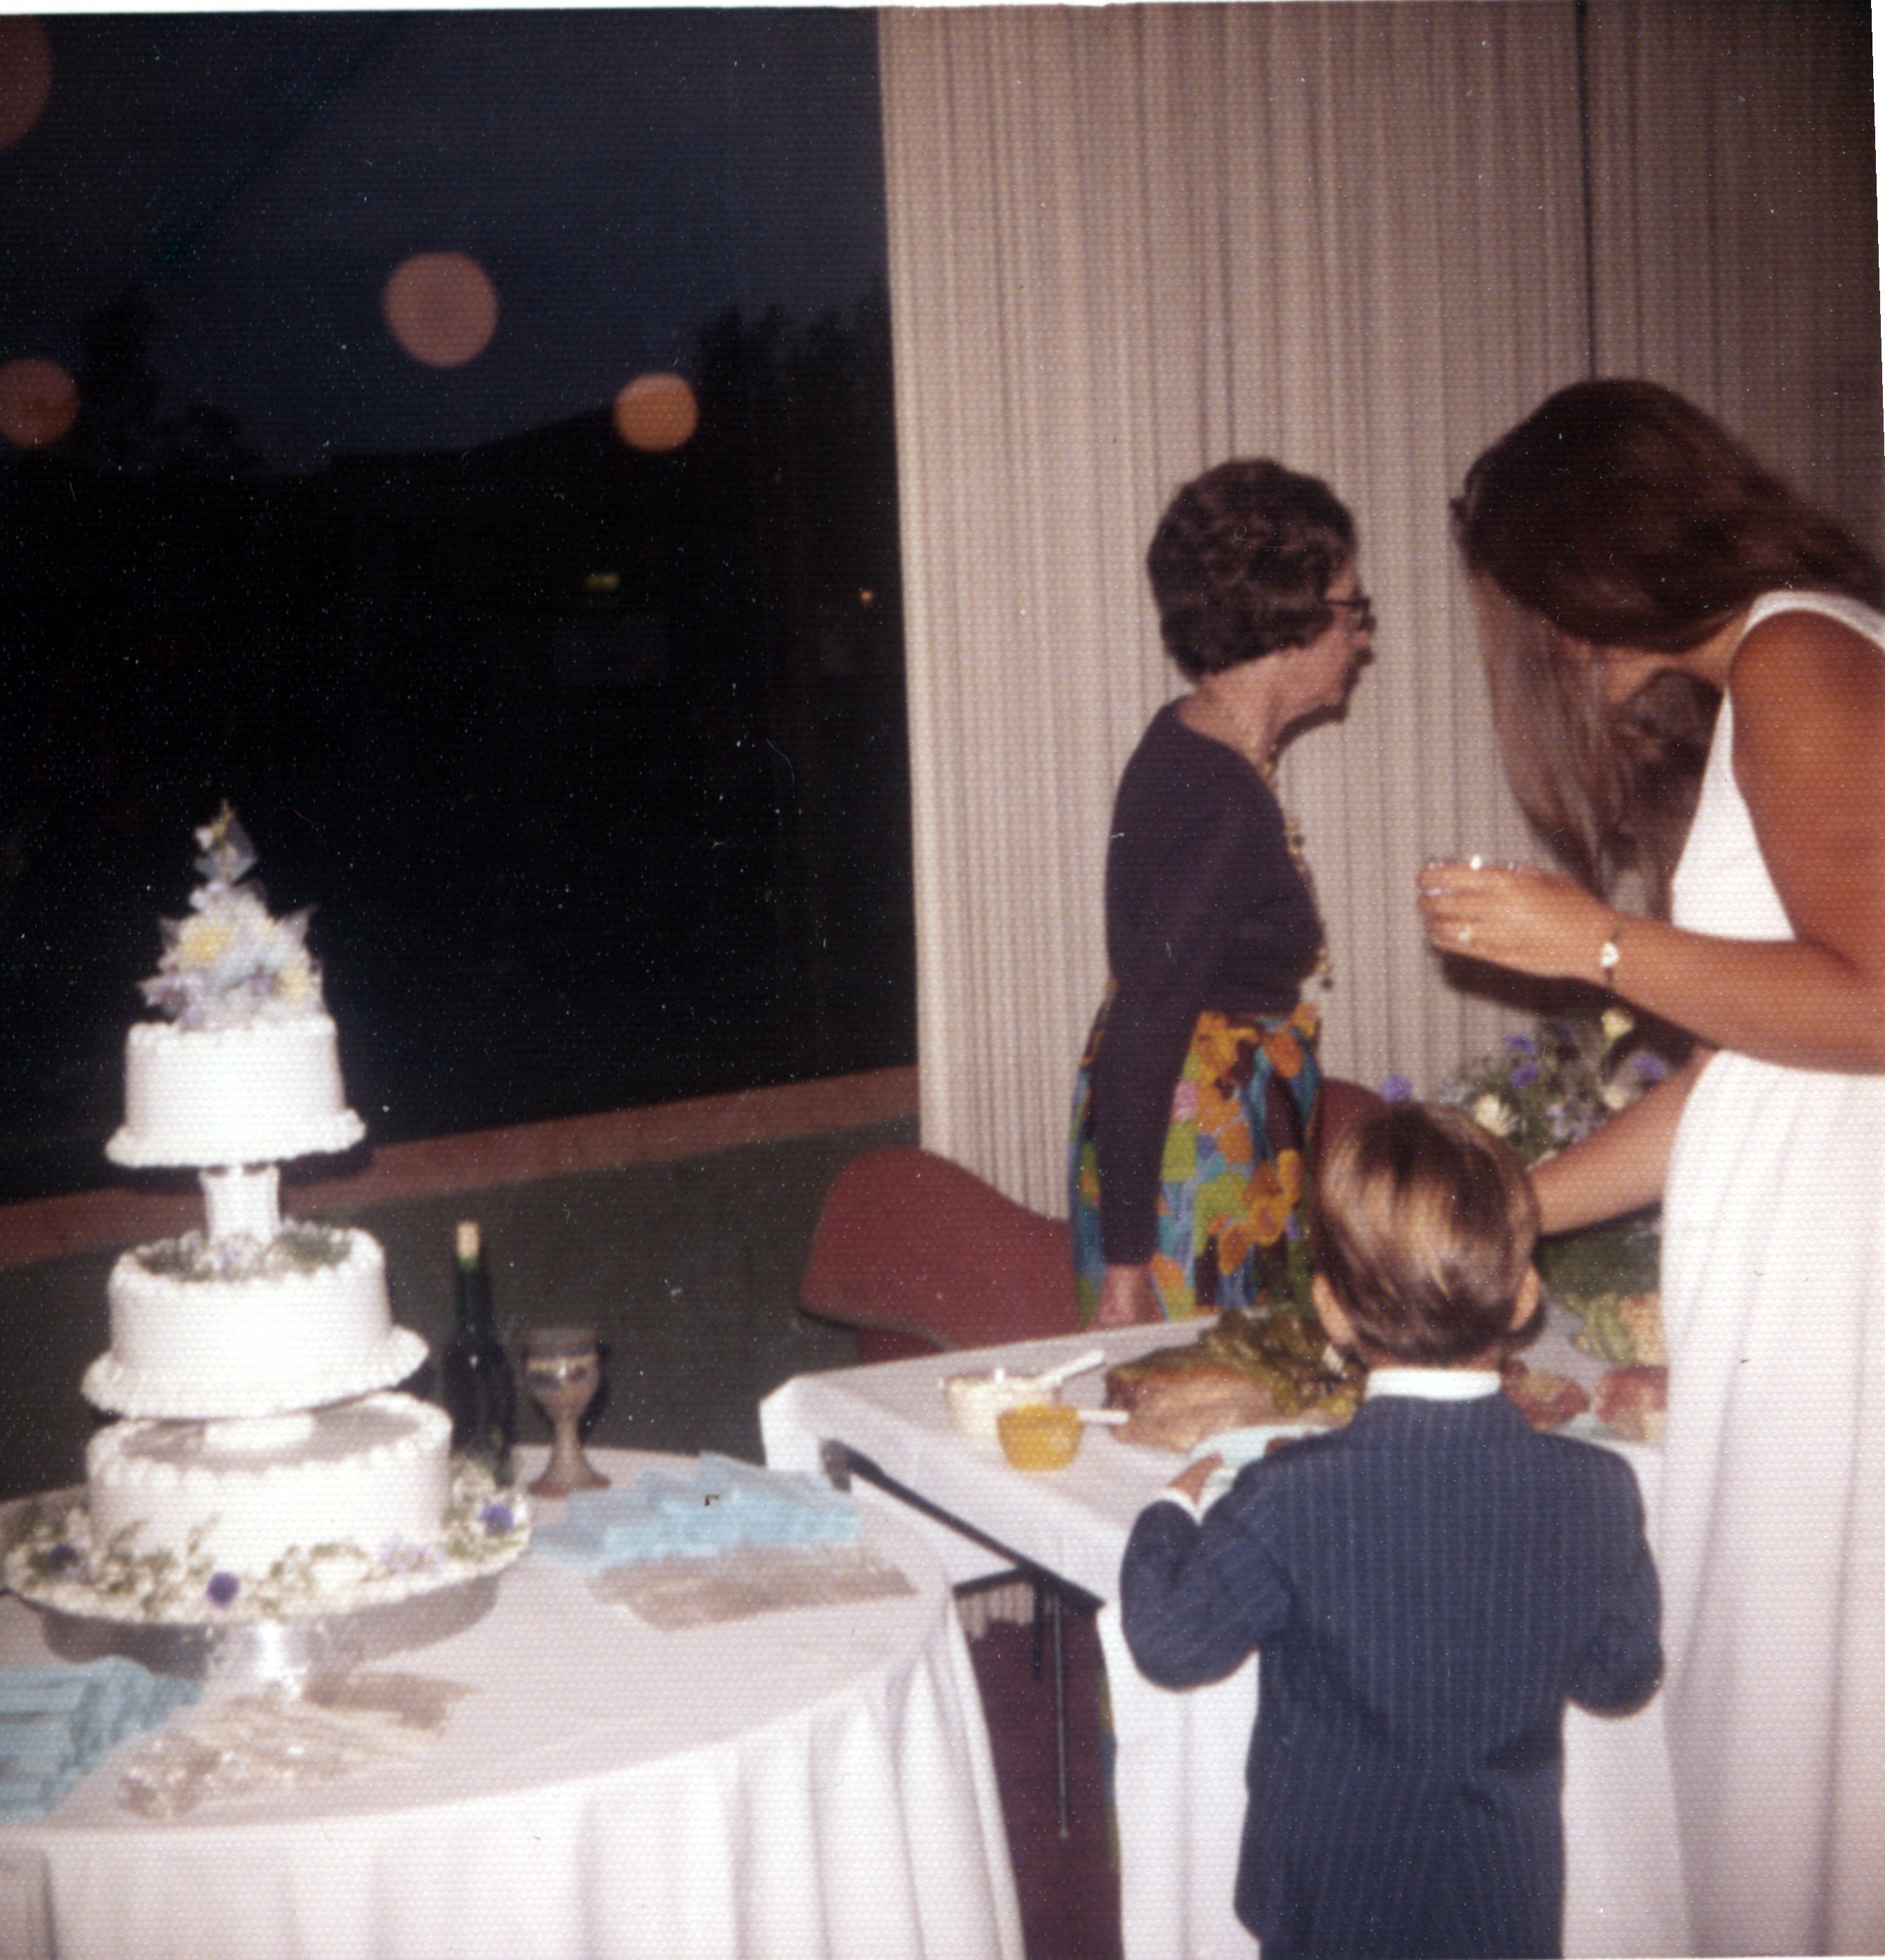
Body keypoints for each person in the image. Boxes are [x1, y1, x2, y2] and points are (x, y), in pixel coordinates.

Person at [1419, 377, 1885, 1955]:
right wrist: (1516, 1203)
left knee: (1796, 1730)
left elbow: (1877, 1006)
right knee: (1771, 1720)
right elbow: (1764, 1054)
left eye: (1540, 597)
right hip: (1795, 1267)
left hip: (1839, 1281)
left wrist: (1598, 943)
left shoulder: (1799, 656)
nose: (1546, 642)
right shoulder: (1779, 668)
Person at [1120, 1100, 1663, 1959]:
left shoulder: (1289, 1493)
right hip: (1501, 1900)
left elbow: (1171, 1643)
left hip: (1331, 1905)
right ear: (1524, 1296)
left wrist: (1166, 1512)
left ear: (1332, 1311)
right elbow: (1618, 1680)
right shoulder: (1598, 1487)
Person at [1070, 459, 1371, 1327]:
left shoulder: (1187, 741)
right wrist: (1128, 1266)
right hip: (1193, 1158)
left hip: (1188, 1136)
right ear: (1288, 614)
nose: (1361, 638)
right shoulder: (1226, 802)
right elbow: (1147, 1017)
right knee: (1207, 1389)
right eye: (1352, 610)